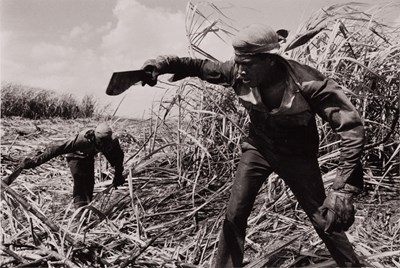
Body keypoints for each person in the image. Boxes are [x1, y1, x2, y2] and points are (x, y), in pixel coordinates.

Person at [140, 24, 365, 267]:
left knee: (324, 218)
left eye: (248, 64)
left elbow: (351, 128)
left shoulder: (309, 83)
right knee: (235, 213)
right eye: (239, 62)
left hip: (297, 157)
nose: (241, 70)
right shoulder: (236, 71)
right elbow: (198, 66)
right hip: (259, 148)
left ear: (269, 60)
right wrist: (160, 64)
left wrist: (342, 189)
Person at [21, 122, 125, 208]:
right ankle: (79, 210)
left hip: (88, 157)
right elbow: (57, 149)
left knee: (89, 183)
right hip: (75, 156)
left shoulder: (110, 143)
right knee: (79, 180)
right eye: (100, 141)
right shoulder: (82, 139)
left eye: (106, 142)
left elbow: (117, 158)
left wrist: (118, 174)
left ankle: (86, 208)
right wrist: (35, 162)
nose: (103, 144)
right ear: (95, 137)